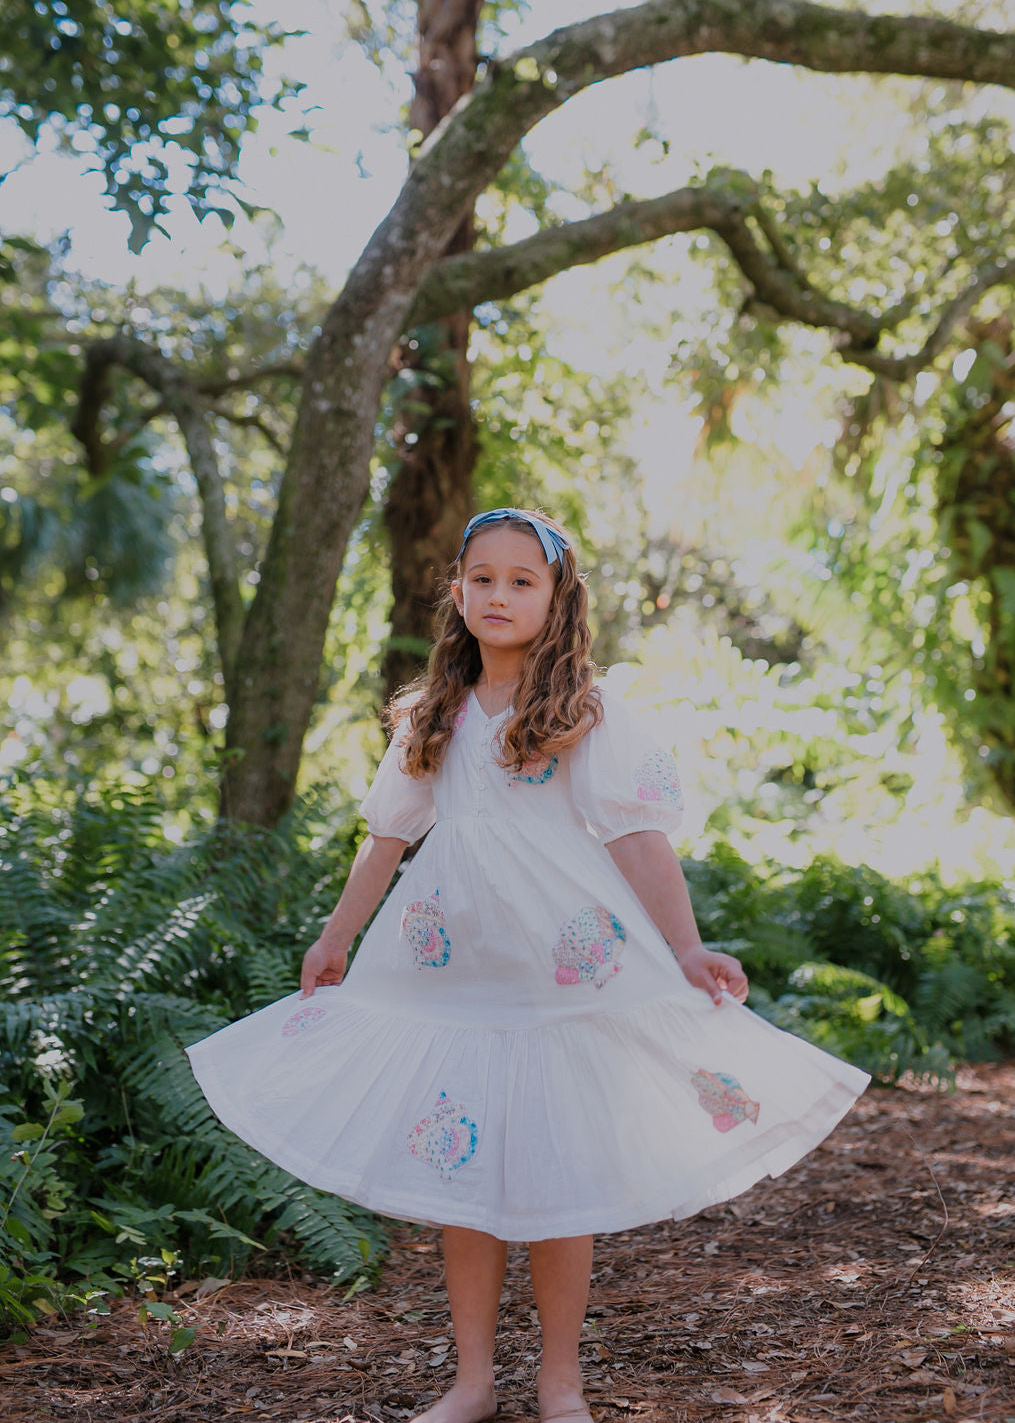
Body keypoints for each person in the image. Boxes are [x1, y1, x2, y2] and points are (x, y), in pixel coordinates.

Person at [188, 506, 869, 1423]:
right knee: (460, 1180)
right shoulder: (434, 715)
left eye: (522, 580)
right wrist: (338, 937)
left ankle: (560, 1380)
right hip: (449, 971)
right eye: (482, 578)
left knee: (558, 1179)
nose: (498, 594)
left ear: (557, 599)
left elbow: (637, 839)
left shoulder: (580, 709)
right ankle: (471, 1380)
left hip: (564, 970)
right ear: (457, 591)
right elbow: (387, 838)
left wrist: (685, 946)